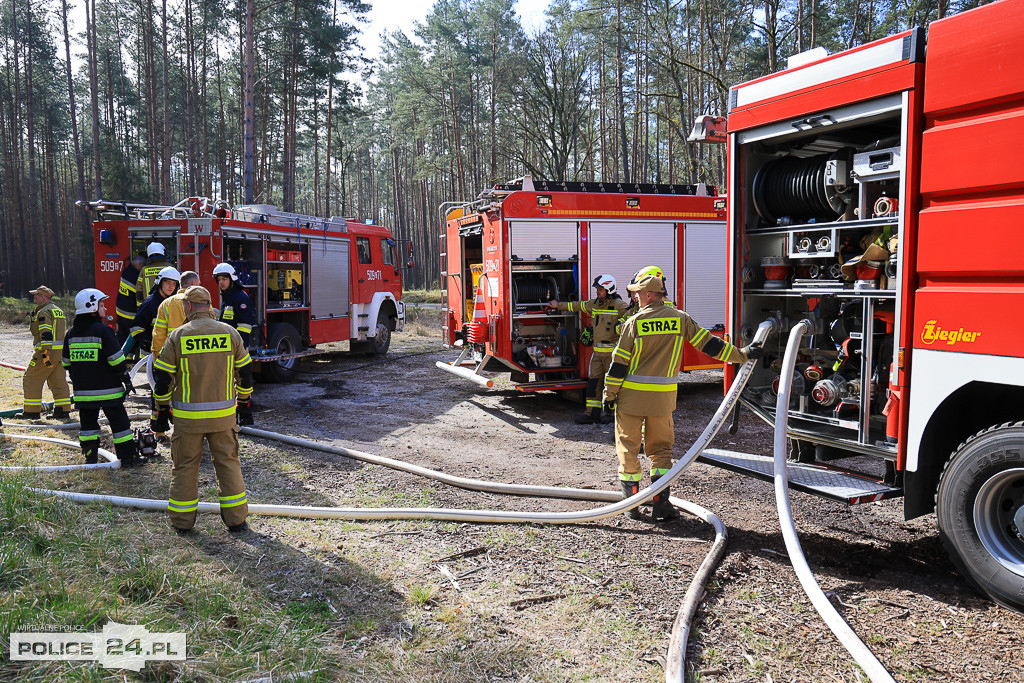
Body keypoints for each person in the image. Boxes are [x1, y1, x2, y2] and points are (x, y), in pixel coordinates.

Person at [603, 275, 764, 521]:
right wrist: (742, 354)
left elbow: (619, 364)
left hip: (631, 400)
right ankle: (662, 505)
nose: (634, 296)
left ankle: (631, 506)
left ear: (649, 295)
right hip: (661, 401)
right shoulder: (681, 319)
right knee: (661, 452)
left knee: (628, 449)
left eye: (637, 293)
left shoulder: (634, 323)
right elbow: (710, 346)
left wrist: (609, 394)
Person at [152, 286, 254, 535]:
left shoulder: (178, 336)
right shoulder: (230, 333)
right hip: (223, 418)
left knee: (185, 467)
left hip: (188, 420)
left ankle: (183, 523)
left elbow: (162, 378)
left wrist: (162, 410)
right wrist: (245, 403)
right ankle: (236, 520)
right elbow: (246, 374)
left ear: (187, 307)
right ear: (209, 306)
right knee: (228, 463)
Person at [62, 288, 144, 467]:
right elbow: (116, 360)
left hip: (83, 393)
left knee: (88, 426)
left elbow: (66, 363)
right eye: (101, 304)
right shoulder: (103, 331)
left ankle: (91, 456)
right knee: (120, 425)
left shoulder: (71, 334)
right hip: (109, 392)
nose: (105, 308)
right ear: (91, 307)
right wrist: (125, 378)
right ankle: (128, 457)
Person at [549, 274, 629, 424]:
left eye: (600, 289)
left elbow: (632, 320)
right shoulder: (595, 304)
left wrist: (620, 333)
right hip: (597, 355)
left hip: (613, 355)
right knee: (593, 385)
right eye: (597, 289)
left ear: (609, 289)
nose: (597, 292)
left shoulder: (620, 305)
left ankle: (611, 415)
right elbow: (577, 305)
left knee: (613, 386)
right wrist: (557, 305)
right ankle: (592, 413)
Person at [17, 285, 72, 419]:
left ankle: (32, 412)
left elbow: (46, 333)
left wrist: (45, 353)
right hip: (59, 355)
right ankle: (63, 410)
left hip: (47, 354)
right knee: (57, 380)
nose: (34, 299)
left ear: (43, 297)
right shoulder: (58, 310)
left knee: (31, 378)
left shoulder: (43, 312)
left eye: (36, 297)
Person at [123, 267, 180, 356]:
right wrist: (149, 342)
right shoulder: (149, 304)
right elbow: (135, 328)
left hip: (169, 353)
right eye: (168, 282)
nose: (171, 286)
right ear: (159, 282)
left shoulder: (174, 303)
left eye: (174, 283)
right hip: (149, 354)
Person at [151, 270, 200, 356]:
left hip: (172, 355)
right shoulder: (203, 303)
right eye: (199, 284)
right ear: (194, 283)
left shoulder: (165, 304)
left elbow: (158, 337)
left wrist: (157, 359)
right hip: (196, 356)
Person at [213, 263, 255, 348]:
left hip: (236, 345)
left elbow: (244, 326)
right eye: (219, 279)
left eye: (224, 279)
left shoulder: (240, 297)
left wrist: (238, 346)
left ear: (232, 279)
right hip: (226, 344)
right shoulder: (228, 297)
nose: (221, 282)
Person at [116, 252, 146, 343]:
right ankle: (128, 355)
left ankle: (122, 355)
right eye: (144, 265)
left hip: (120, 310)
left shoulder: (127, 271)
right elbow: (141, 294)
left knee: (122, 334)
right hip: (129, 313)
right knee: (131, 338)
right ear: (139, 265)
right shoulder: (135, 278)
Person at [135, 242, 173, 306]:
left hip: (149, 306)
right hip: (167, 305)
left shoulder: (144, 270)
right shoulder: (170, 268)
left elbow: (139, 291)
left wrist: (140, 306)